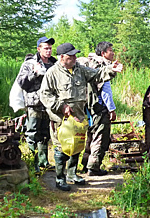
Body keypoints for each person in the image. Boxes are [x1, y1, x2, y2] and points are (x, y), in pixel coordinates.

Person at [39, 42, 124, 191]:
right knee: (61, 148)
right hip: (61, 119)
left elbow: (96, 75)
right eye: (71, 56)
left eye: (75, 55)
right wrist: (61, 106)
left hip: (78, 117)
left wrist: (111, 69)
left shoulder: (79, 69)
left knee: (77, 146)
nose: (74, 57)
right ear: (62, 57)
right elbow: (45, 95)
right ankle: (60, 178)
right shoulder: (52, 73)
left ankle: (72, 174)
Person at [15, 36, 56, 173]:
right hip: (34, 104)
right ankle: (32, 163)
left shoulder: (53, 63)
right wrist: (35, 73)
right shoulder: (29, 63)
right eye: (46, 48)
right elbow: (22, 83)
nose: (48, 51)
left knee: (45, 134)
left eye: (50, 48)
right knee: (32, 133)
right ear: (39, 49)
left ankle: (44, 162)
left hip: (49, 104)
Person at [80, 42, 117, 176]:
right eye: (110, 51)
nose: (113, 53)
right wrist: (111, 109)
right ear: (103, 53)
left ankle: (85, 164)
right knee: (100, 137)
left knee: (90, 136)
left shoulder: (89, 63)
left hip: (88, 107)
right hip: (99, 107)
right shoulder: (102, 67)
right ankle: (93, 167)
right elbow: (105, 91)